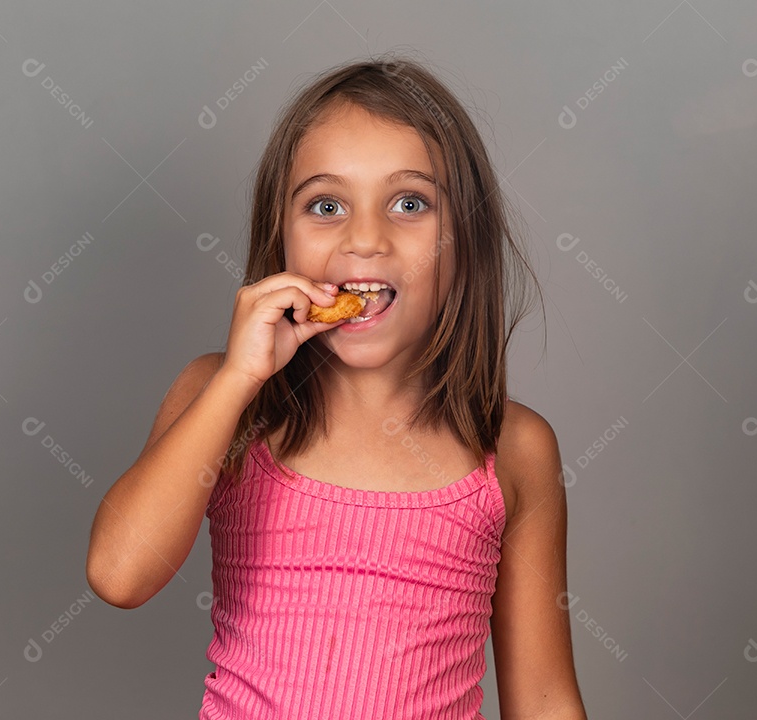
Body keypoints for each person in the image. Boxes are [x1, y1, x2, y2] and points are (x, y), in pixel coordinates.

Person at [86, 53, 587, 719]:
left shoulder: (514, 450)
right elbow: (119, 575)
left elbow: (545, 698)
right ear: (281, 238)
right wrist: (239, 377)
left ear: (462, 240)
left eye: (410, 203)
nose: (366, 239)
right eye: (326, 205)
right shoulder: (223, 399)